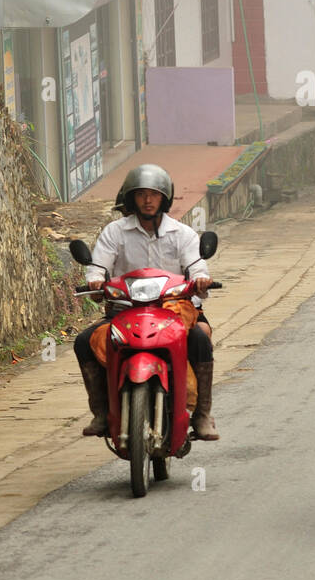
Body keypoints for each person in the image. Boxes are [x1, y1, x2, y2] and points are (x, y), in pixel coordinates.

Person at [73, 164, 219, 441]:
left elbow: (197, 267)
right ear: (131, 198)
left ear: (164, 198)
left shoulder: (183, 234)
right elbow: (97, 267)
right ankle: (101, 411)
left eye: (154, 194)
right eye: (141, 194)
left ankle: (202, 414)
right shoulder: (115, 233)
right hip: (124, 311)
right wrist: (94, 280)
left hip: (176, 310)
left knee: (200, 337)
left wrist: (200, 280)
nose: (148, 200)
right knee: (84, 341)